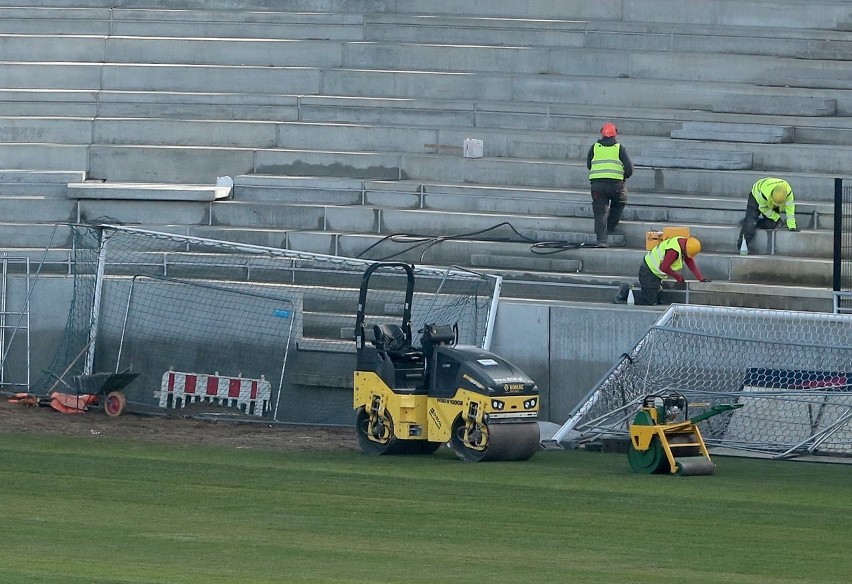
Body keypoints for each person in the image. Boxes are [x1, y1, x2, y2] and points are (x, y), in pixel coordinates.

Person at [614, 236, 710, 305]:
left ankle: (645, 288)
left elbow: (690, 262)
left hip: (654, 274)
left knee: (657, 299)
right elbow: (663, 267)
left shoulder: (682, 243)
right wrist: (677, 276)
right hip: (648, 271)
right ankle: (625, 291)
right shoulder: (674, 251)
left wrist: (700, 278)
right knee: (650, 301)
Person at [586, 122, 633, 247]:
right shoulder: (619, 148)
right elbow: (629, 169)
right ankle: (611, 227)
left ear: (602, 133)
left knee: (600, 212)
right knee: (619, 203)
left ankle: (601, 240)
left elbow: (589, 165)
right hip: (616, 185)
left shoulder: (594, 147)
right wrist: (623, 177)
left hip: (597, 185)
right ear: (615, 134)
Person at [736, 177, 798, 254]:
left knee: (772, 224)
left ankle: (756, 222)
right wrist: (776, 217)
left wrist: (792, 226)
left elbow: (790, 208)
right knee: (750, 223)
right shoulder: (763, 193)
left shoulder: (788, 193)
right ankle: (742, 245)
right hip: (756, 196)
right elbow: (763, 208)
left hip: (769, 200)